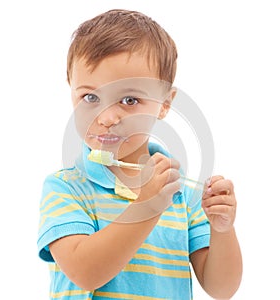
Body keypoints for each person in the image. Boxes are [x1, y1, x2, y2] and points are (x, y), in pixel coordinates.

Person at [38, 9, 242, 300]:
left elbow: (222, 289)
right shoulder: (66, 188)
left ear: (165, 104)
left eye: (129, 99)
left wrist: (223, 230)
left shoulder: (182, 195)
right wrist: (147, 205)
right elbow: (85, 272)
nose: (107, 117)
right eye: (90, 97)